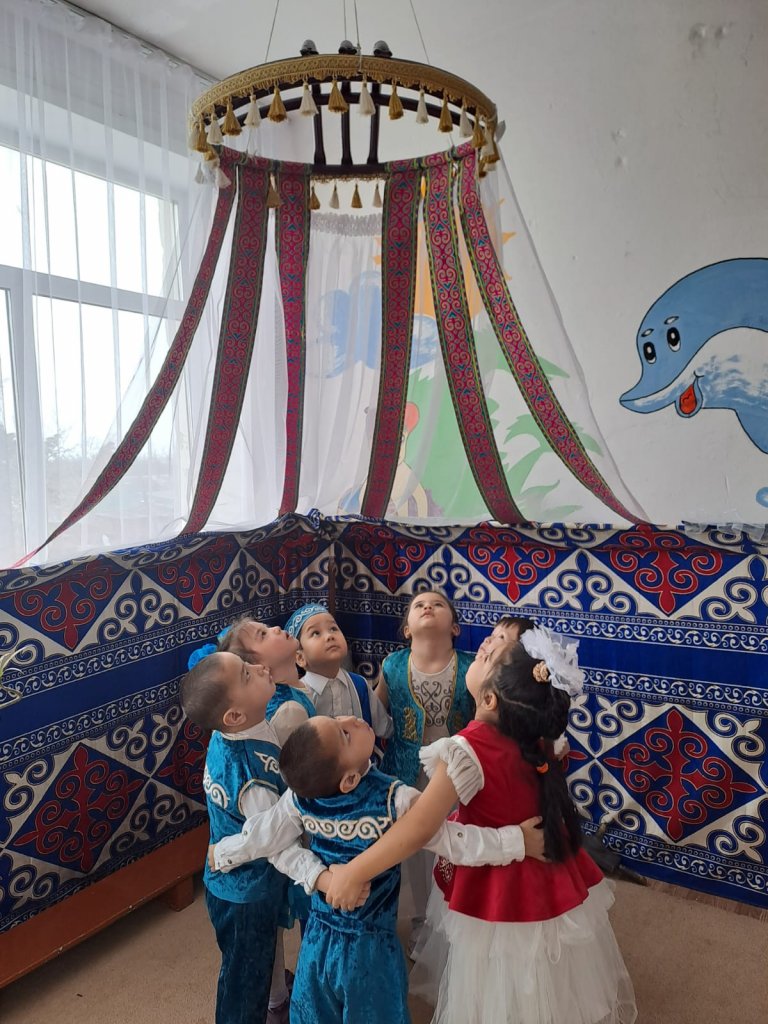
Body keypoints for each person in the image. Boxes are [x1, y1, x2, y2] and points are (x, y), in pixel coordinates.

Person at [324, 628, 637, 1024]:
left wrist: (355, 871)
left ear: (489, 699)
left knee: (499, 984)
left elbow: (420, 828)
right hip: (547, 882)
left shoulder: (466, 751)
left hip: (502, 893)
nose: (482, 647)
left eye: (487, 656)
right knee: (539, 981)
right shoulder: (534, 734)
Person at [208, 713, 548, 1024]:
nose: (351, 719)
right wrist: (517, 841)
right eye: (344, 733)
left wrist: (222, 853)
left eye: (338, 718)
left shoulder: (302, 796)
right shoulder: (393, 799)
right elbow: (454, 841)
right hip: (364, 951)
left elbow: (263, 837)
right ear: (349, 780)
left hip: (325, 941)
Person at [180, 649, 336, 1024]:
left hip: (240, 879)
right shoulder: (249, 774)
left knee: (258, 960)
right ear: (234, 715)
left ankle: (275, 997)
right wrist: (317, 874)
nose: (259, 666)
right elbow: (270, 838)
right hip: (245, 892)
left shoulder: (234, 733)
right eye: (247, 674)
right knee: (244, 982)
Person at [376, 589, 474, 944]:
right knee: (416, 848)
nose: (427, 606)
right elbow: (377, 714)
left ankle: (458, 916)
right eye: (419, 605)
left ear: (455, 628)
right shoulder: (392, 665)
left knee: (456, 839)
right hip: (406, 770)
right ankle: (421, 919)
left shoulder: (472, 666)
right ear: (407, 629)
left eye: (437, 604)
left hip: (456, 771)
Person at [284, 603, 393, 745]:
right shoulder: (299, 697)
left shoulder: (359, 685)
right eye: (316, 633)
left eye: (333, 629)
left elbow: (385, 727)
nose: (329, 636)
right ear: (300, 658)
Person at [219, 616, 316, 745]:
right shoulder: (288, 712)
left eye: (267, 627)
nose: (276, 628)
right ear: (257, 666)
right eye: (263, 634)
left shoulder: (294, 689)